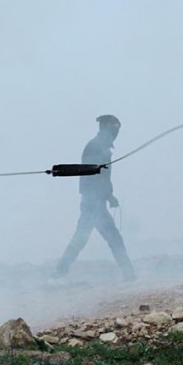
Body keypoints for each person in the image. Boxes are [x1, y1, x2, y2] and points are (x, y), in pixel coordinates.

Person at [52, 114, 135, 281]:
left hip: (94, 201)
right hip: (94, 203)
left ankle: (60, 271)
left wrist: (109, 196)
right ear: (108, 128)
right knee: (112, 238)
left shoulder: (100, 146)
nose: (116, 131)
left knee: (81, 237)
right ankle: (129, 274)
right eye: (115, 127)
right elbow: (95, 176)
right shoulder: (96, 147)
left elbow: (100, 177)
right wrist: (105, 196)